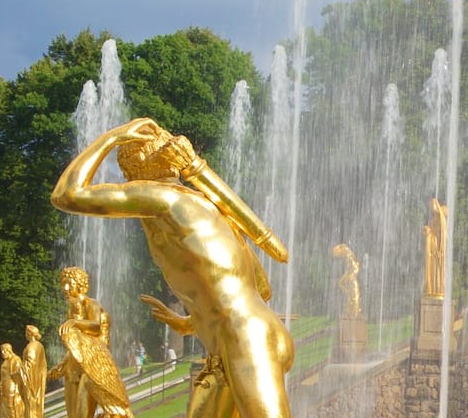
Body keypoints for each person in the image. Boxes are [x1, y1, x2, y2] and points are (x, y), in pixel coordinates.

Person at [52, 118, 294, 418]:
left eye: (126, 174)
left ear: (137, 171)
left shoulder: (162, 198)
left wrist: (112, 137)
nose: (126, 183)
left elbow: (66, 195)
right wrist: (191, 320)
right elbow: (261, 287)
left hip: (244, 339)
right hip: (246, 336)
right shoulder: (207, 205)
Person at [51, 267, 132, 418]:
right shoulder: (71, 308)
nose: (65, 288)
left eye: (69, 283)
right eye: (63, 284)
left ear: (80, 284)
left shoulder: (91, 303)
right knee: (72, 414)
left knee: (82, 413)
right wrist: (62, 364)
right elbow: (76, 343)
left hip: (90, 368)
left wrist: (75, 322)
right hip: (73, 367)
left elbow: (96, 326)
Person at [20, 325, 48, 418]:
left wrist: (20, 370)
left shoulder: (33, 346)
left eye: (26, 332)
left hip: (32, 380)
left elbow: (30, 363)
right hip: (36, 378)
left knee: (30, 403)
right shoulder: (38, 345)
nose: (25, 334)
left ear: (30, 333)